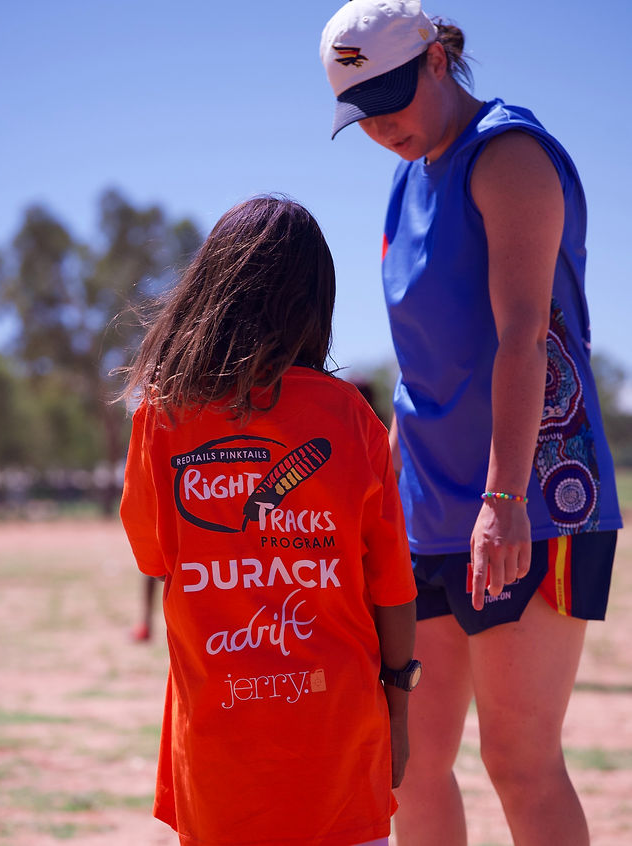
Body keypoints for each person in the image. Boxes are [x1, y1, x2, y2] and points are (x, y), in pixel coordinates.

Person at [319, 2, 622, 845]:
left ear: (436, 60)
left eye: (391, 99)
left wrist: (504, 499)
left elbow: (524, 336)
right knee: (409, 759)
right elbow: (422, 373)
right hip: (426, 511)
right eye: (363, 112)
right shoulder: (406, 176)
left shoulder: (507, 154)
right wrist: (376, 509)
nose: (382, 126)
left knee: (519, 760)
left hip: (530, 499)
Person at [119, 195, 420, 846]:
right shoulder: (350, 418)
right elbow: (393, 589)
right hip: (339, 745)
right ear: (315, 305)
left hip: (218, 753)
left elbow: (154, 557)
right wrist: (398, 713)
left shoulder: (161, 418)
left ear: (206, 293)